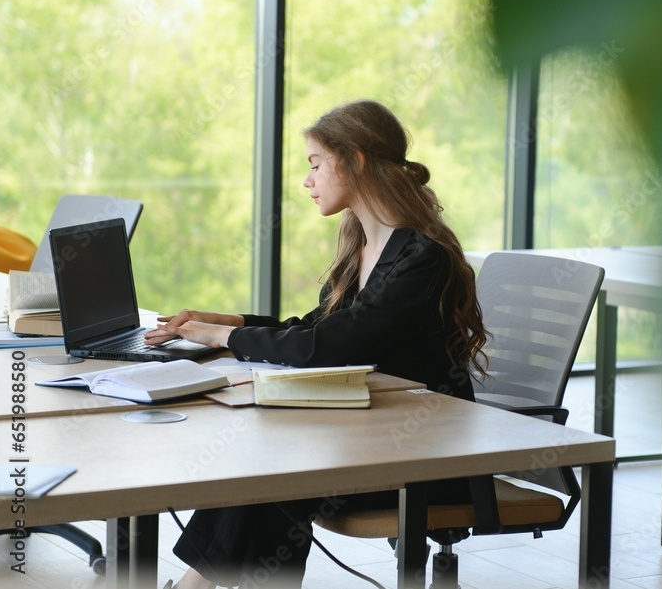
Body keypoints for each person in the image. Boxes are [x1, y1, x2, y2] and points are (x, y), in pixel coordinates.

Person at [145, 99, 488, 589]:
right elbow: (316, 327)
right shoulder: (361, 248)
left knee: (276, 473)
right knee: (269, 467)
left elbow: (332, 345)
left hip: (426, 456)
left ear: (356, 160)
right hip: (369, 436)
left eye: (315, 164)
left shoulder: (421, 259)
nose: (307, 181)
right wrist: (229, 320)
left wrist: (224, 337)